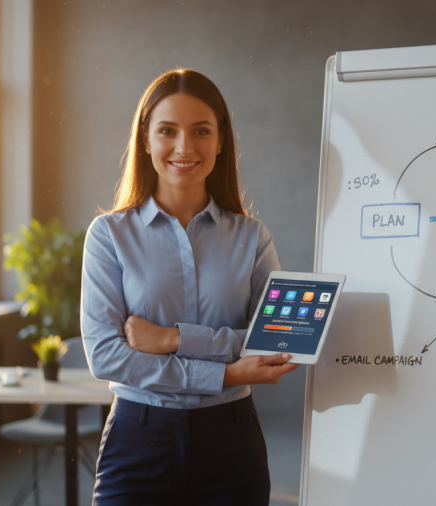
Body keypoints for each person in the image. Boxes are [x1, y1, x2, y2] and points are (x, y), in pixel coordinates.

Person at [81, 68, 300, 505]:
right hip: (137, 440)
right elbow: (106, 356)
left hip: (231, 444)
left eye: (201, 131)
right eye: (167, 131)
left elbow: (277, 342)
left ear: (220, 141)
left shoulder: (252, 238)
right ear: (146, 140)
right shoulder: (109, 236)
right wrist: (226, 372)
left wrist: (171, 339)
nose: (184, 147)